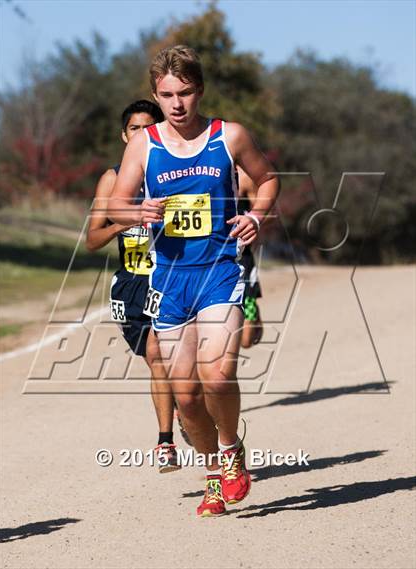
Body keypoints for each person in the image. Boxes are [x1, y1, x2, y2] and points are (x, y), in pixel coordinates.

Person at [108, 46, 279, 516]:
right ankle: (212, 477)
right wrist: (136, 210)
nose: (177, 103)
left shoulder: (229, 136)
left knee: (218, 375)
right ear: (155, 95)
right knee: (185, 395)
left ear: (199, 90)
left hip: (220, 271)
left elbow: (266, 180)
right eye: (167, 95)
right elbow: (116, 205)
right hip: (169, 279)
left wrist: (257, 217)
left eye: (185, 92)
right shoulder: (144, 145)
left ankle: (230, 451)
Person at [86, 99, 182, 473]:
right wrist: (122, 223)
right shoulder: (112, 180)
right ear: (124, 135)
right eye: (134, 129)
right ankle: (178, 418)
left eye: (148, 127)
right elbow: (93, 240)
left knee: (164, 354)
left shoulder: (174, 173)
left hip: (174, 275)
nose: (141, 134)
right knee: (157, 359)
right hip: (132, 284)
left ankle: (165, 441)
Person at [237, 167, 264, 348]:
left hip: (243, 258)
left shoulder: (245, 177)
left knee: (247, 341)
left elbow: (263, 215)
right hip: (212, 258)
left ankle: (254, 309)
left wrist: (250, 221)